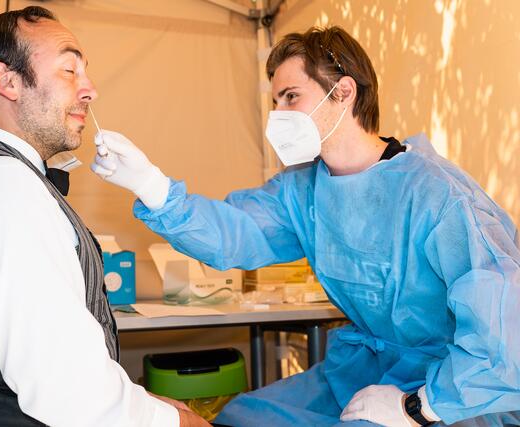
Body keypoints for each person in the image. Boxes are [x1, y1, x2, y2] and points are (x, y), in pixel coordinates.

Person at [91, 26, 520, 427]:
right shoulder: (303, 192)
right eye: (274, 102)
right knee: (243, 416)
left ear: (344, 92)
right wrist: (152, 187)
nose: (278, 115)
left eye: (291, 97)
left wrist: (418, 406)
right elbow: (233, 232)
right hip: (362, 367)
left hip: (452, 383)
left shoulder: (439, 195)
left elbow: (504, 337)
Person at [0, 6, 210, 427]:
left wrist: (145, 402)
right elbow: (69, 394)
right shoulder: (1, 186)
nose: (90, 90)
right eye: (70, 70)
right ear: (7, 81)